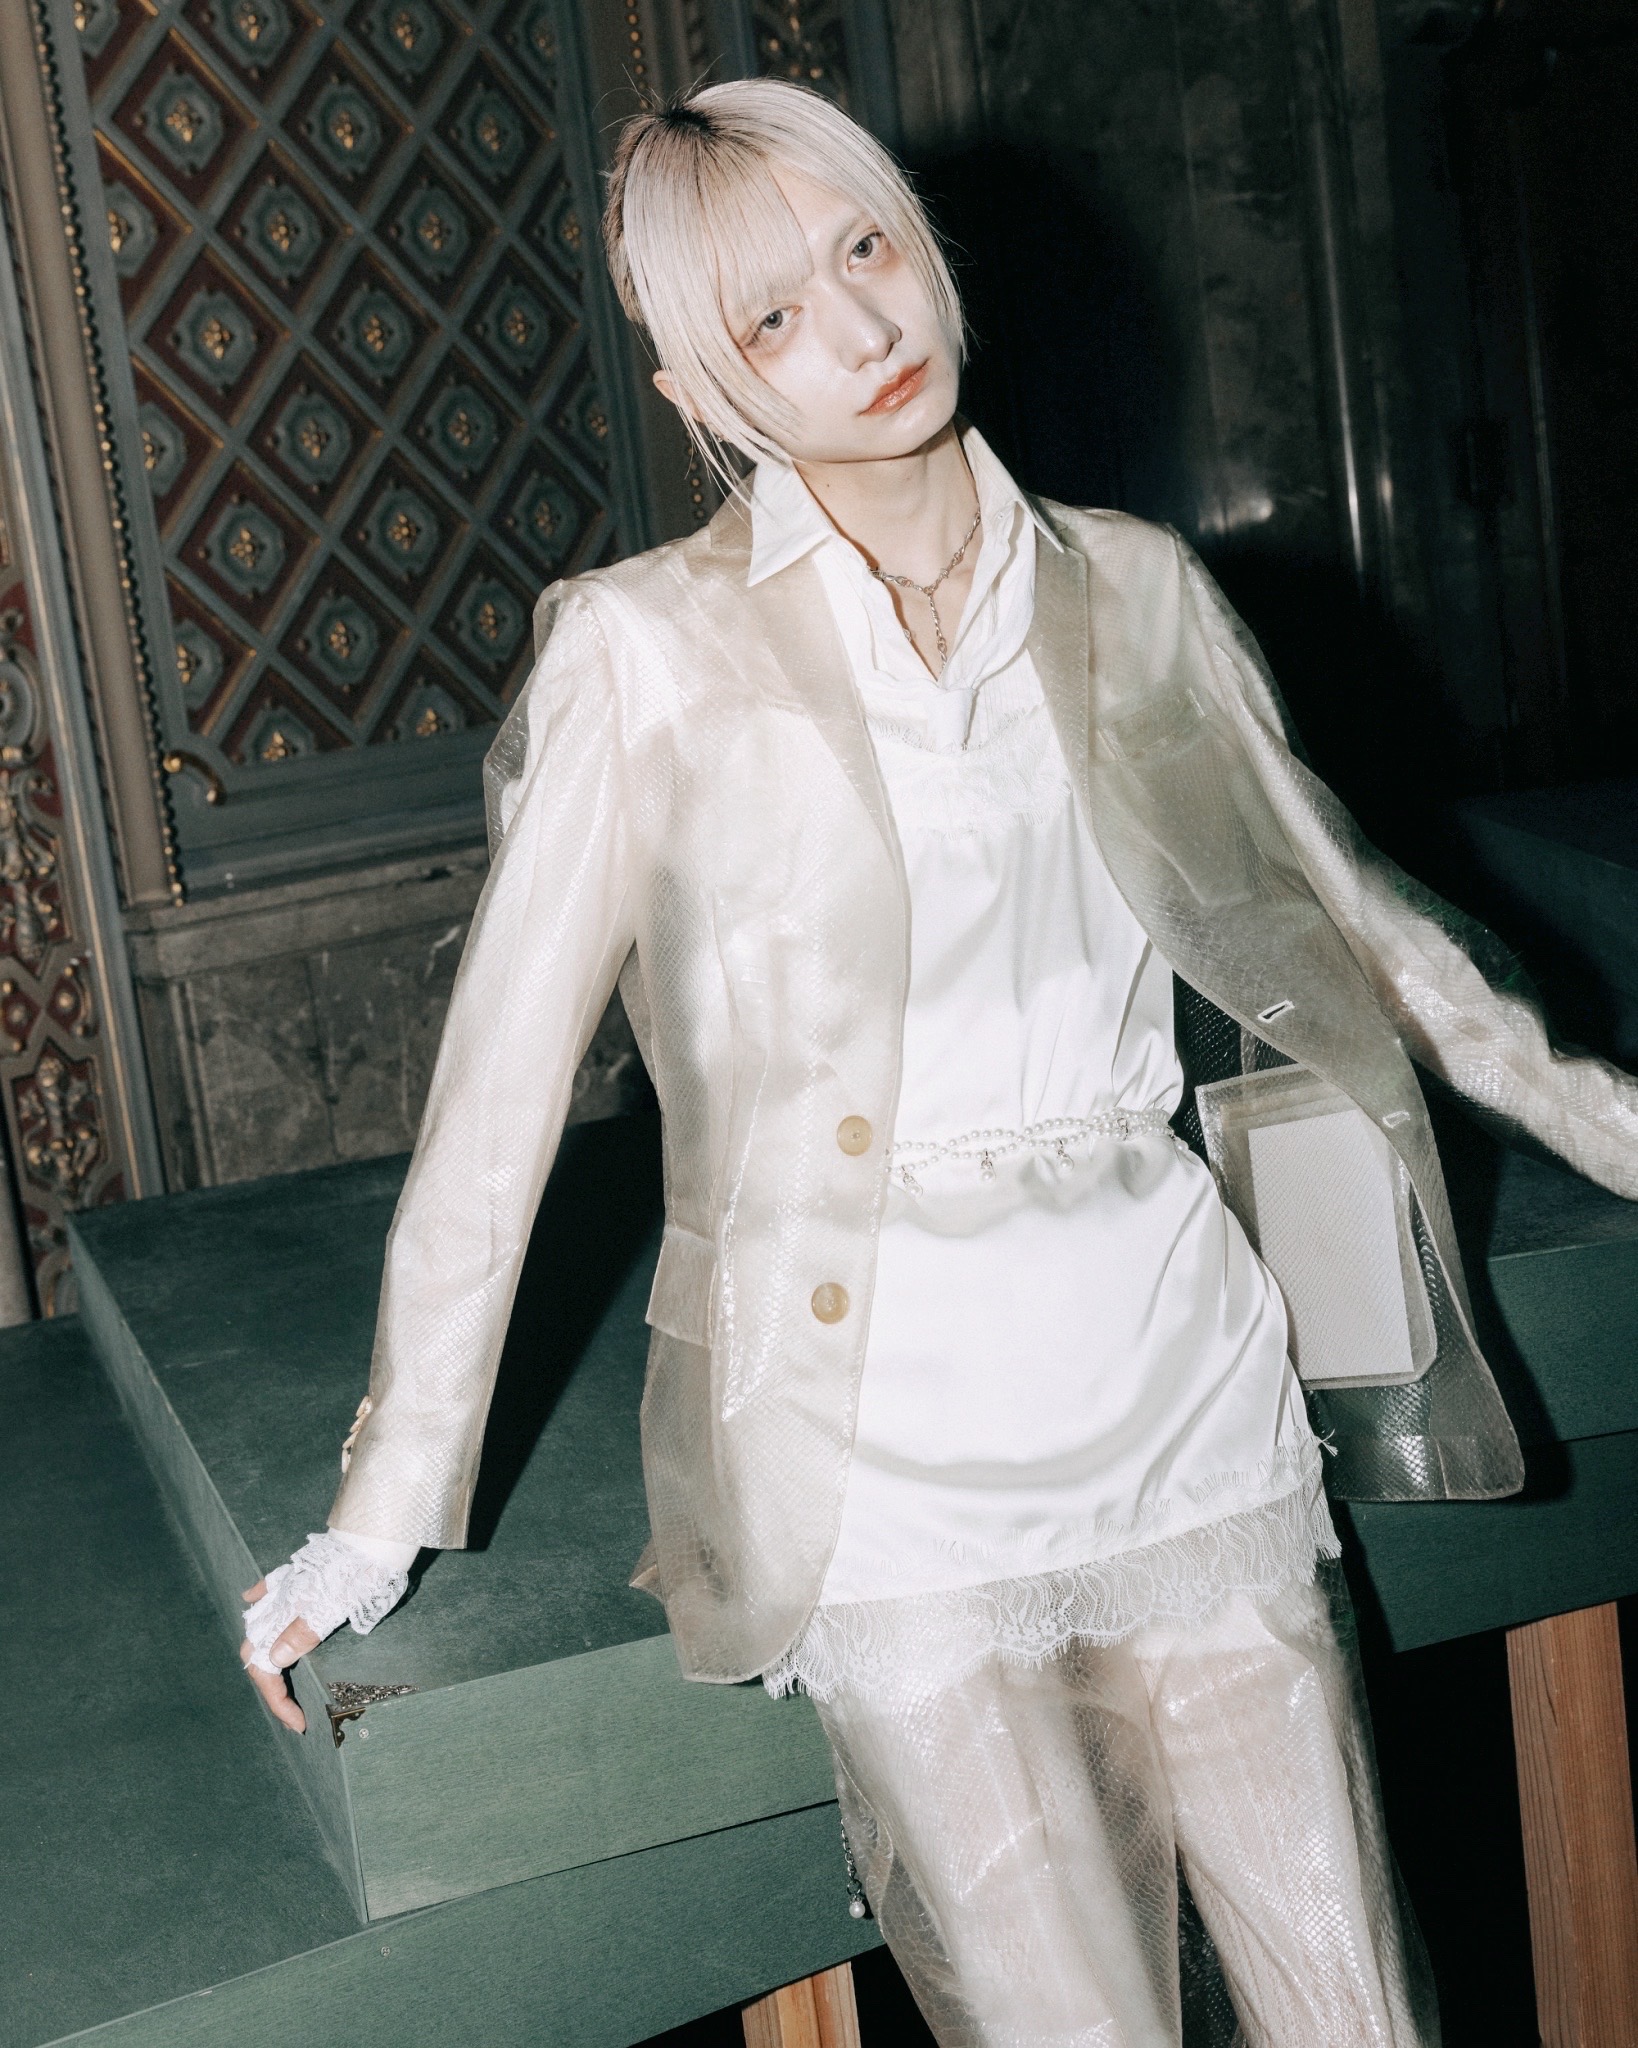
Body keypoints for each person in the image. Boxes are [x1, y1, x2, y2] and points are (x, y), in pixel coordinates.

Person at [239, 79, 1638, 2046]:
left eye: (866, 249)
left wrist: (1610, 1125)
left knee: (1357, 2007)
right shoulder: (646, 651)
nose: (859, 329)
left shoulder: (1139, 587)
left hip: (1178, 1373)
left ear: (925, 244)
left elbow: (1373, 936)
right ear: (700, 387)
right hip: (881, 1449)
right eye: (773, 316)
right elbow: (496, 1105)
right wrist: (378, 1513)